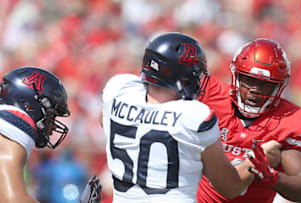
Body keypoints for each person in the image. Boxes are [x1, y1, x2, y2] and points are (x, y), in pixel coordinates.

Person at [99, 32, 273, 202]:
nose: (198, 83)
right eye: (195, 76)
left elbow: (104, 120)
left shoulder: (119, 90)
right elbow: (231, 187)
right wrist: (257, 159)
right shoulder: (195, 116)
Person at [196, 38, 301, 203]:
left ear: (280, 86)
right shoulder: (209, 95)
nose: (255, 89)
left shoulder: (289, 122)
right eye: (249, 80)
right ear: (236, 76)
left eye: (265, 84)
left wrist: (274, 178)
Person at [0, 66, 101, 203]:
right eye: (51, 116)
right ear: (31, 106)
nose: (52, 127)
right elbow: (13, 200)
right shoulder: (10, 139)